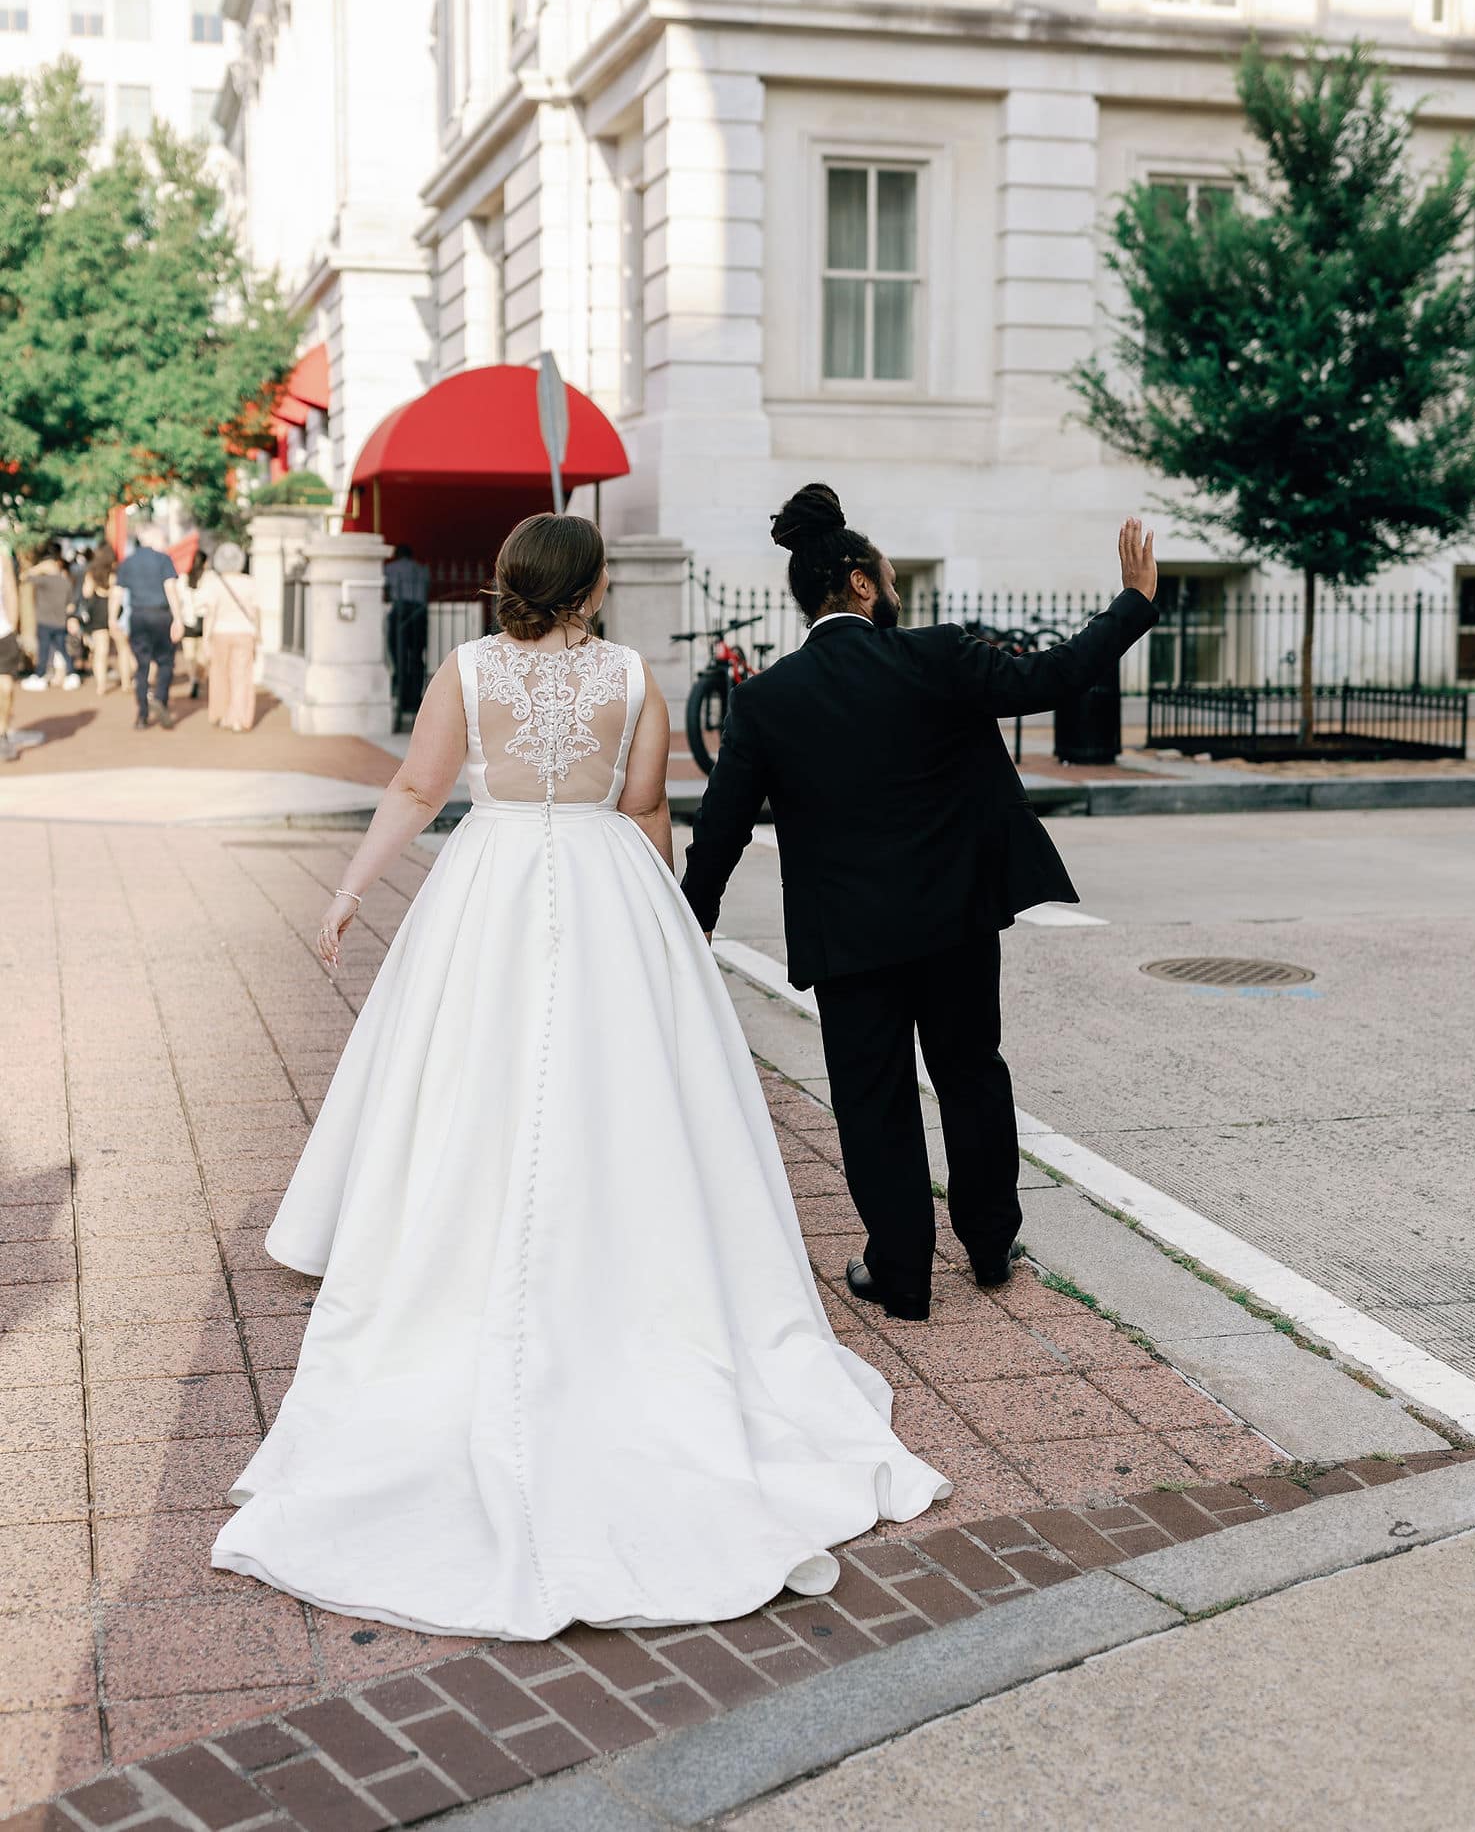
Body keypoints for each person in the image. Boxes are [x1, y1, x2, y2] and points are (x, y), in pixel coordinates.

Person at [211, 512, 948, 1637]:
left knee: (467, 1075)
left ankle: (453, 1237)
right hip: (606, 884)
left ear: (512, 581)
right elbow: (646, 808)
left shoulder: (465, 668)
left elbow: (416, 791)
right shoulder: (631, 676)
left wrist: (352, 888)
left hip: (492, 878)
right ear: (591, 587)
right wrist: (667, 937)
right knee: (625, 1093)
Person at [681, 485, 1159, 1323]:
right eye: (891, 577)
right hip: (954, 923)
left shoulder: (765, 701)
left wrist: (690, 923)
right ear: (862, 584)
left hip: (850, 941)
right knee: (972, 1073)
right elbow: (1055, 676)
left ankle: (901, 1273)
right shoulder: (935, 655)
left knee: (875, 1098)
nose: (898, 588)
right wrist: (1133, 603)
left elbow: (718, 830)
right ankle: (987, 1247)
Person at [114, 526, 184, 730]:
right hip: (160, 615)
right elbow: (170, 588)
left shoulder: (128, 562)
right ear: (153, 539)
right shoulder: (163, 560)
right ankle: (160, 699)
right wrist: (178, 618)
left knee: (142, 666)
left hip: (138, 616)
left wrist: (112, 619)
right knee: (165, 662)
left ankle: (142, 715)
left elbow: (117, 592)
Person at [199, 542, 260, 731]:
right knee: (242, 676)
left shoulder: (213, 584)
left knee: (220, 675)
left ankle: (223, 714)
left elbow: (210, 614)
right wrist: (258, 633)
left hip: (220, 633)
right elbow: (255, 611)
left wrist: (205, 639)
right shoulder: (250, 582)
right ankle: (239, 719)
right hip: (245, 633)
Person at [21, 544, 81, 690]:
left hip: (45, 621)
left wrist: (38, 568)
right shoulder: (65, 582)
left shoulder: (43, 580)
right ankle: (71, 674)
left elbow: (24, 577)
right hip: (60, 621)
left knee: (44, 651)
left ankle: (40, 676)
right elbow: (71, 605)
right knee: (63, 649)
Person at [383, 542, 430, 720]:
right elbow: (427, 587)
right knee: (417, 655)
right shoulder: (421, 569)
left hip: (401, 610)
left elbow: (385, 589)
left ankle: (401, 693)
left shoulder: (390, 568)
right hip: (419, 611)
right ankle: (415, 697)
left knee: (398, 653)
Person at [78, 549, 116, 696]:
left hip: (97, 612)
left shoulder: (91, 573)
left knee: (101, 651)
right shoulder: (113, 574)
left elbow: (86, 593)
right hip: (111, 610)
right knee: (118, 647)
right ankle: (127, 680)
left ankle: (101, 685)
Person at [0, 547, 22, 758]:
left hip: (3, 633)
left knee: (6, 688)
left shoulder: (2, 557)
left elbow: (10, 590)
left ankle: (3, 731)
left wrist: (13, 625)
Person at [180, 550, 209, 699]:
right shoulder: (209, 579)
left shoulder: (183, 578)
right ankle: (200, 678)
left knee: (189, 654)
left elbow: (179, 600)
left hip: (187, 619)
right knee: (201, 653)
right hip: (204, 619)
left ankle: (193, 680)